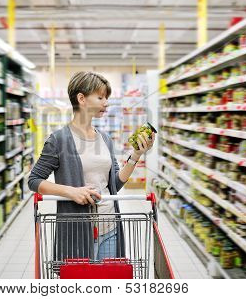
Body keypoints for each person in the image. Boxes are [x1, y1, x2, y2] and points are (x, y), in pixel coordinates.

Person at [28, 71, 154, 263]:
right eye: (101, 97)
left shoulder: (104, 139)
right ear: (82, 99)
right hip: (77, 231)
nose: (106, 102)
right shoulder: (58, 140)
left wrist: (136, 155)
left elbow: (114, 184)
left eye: (107, 98)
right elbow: (34, 180)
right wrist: (71, 192)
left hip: (110, 227)